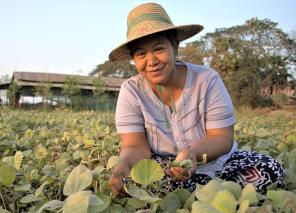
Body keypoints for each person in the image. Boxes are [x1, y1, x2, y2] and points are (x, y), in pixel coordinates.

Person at [108, 2, 284, 197]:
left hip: (216, 162)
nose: (151, 61)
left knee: (268, 171)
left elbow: (222, 137)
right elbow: (135, 146)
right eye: (141, 54)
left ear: (175, 46)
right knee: (138, 181)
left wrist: (193, 155)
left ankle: (195, 195)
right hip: (166, 168)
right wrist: (123, 166)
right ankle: (208, 196)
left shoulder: (207, 80)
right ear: (134, 58)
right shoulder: (131, 90)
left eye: (159, 49)